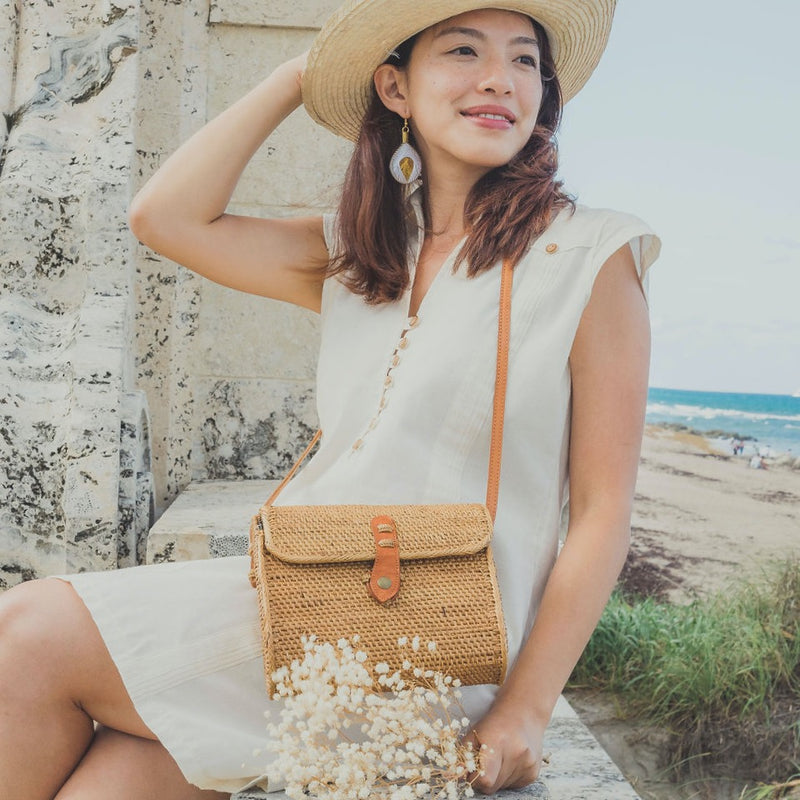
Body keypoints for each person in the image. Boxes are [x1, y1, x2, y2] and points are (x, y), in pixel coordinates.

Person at [0, 0, 660, 797]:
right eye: (462, 52)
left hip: (435, 647)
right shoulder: (363, 252)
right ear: (395, 88)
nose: (501, 80)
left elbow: (601, 510)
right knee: (109, 784)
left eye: (526, 61)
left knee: (27, 634)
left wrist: (527, 709)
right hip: (302, 601)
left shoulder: (591, 255)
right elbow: (163, 216)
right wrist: (298, 78)